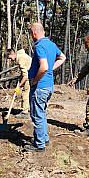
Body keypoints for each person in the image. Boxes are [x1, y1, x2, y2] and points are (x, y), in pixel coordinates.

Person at [24, 22, 66, 152]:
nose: (31, 36)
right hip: (48, 86)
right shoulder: (51, 44)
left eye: (31, 33)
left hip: (40, 87)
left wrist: (35, 80)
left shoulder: (40, 46)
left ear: (34, 33)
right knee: (41, 113)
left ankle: (39, 144)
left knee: (37, 115)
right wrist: (51, 70)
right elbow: (63, 57)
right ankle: (44, 138)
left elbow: (43, 67)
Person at [6, 48, 32, 116]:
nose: (11, 60)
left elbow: (25, 76)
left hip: (31, 76)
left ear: (12, 54)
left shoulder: (21, 59)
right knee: (23, 92)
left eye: (10, 58)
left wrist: (20, 85)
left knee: (25, 93)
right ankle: (28, 109)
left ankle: (25, 112)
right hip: (30, 74)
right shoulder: (20, 55)